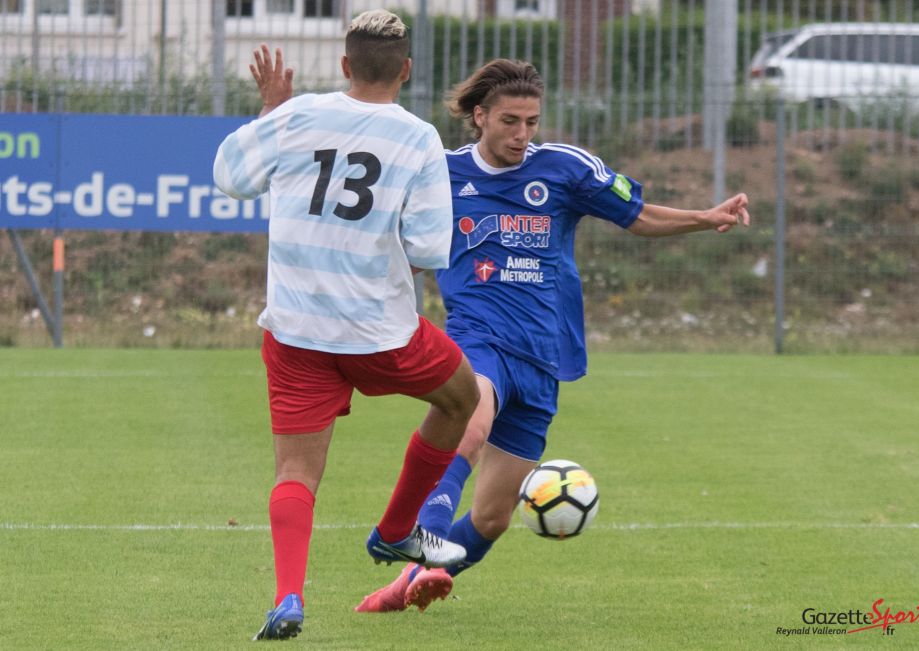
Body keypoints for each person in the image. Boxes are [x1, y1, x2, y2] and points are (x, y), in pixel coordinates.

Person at [253, 55, 750, 615]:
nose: (522, 134)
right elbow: (375, 224)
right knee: (471, 415)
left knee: (492, 518)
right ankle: (422, 533)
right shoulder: (440, 170)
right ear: (480, 116)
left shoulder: (564, 169)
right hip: (477, 337)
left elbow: (636, 215)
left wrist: (706, 217)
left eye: (531, 122)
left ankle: (410, 581)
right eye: (510, 121)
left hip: (543, 355)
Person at [213, 10, 480, 641]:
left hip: (296, 332)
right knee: (462, 398)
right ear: (406, 70)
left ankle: (288, 598)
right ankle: (395, 532)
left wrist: (272, 111)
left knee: (296, 473)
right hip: (380, 331)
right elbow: (427, 248)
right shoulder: (417, 138)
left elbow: (230, 178)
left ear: (343, 65)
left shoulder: (296, 115)